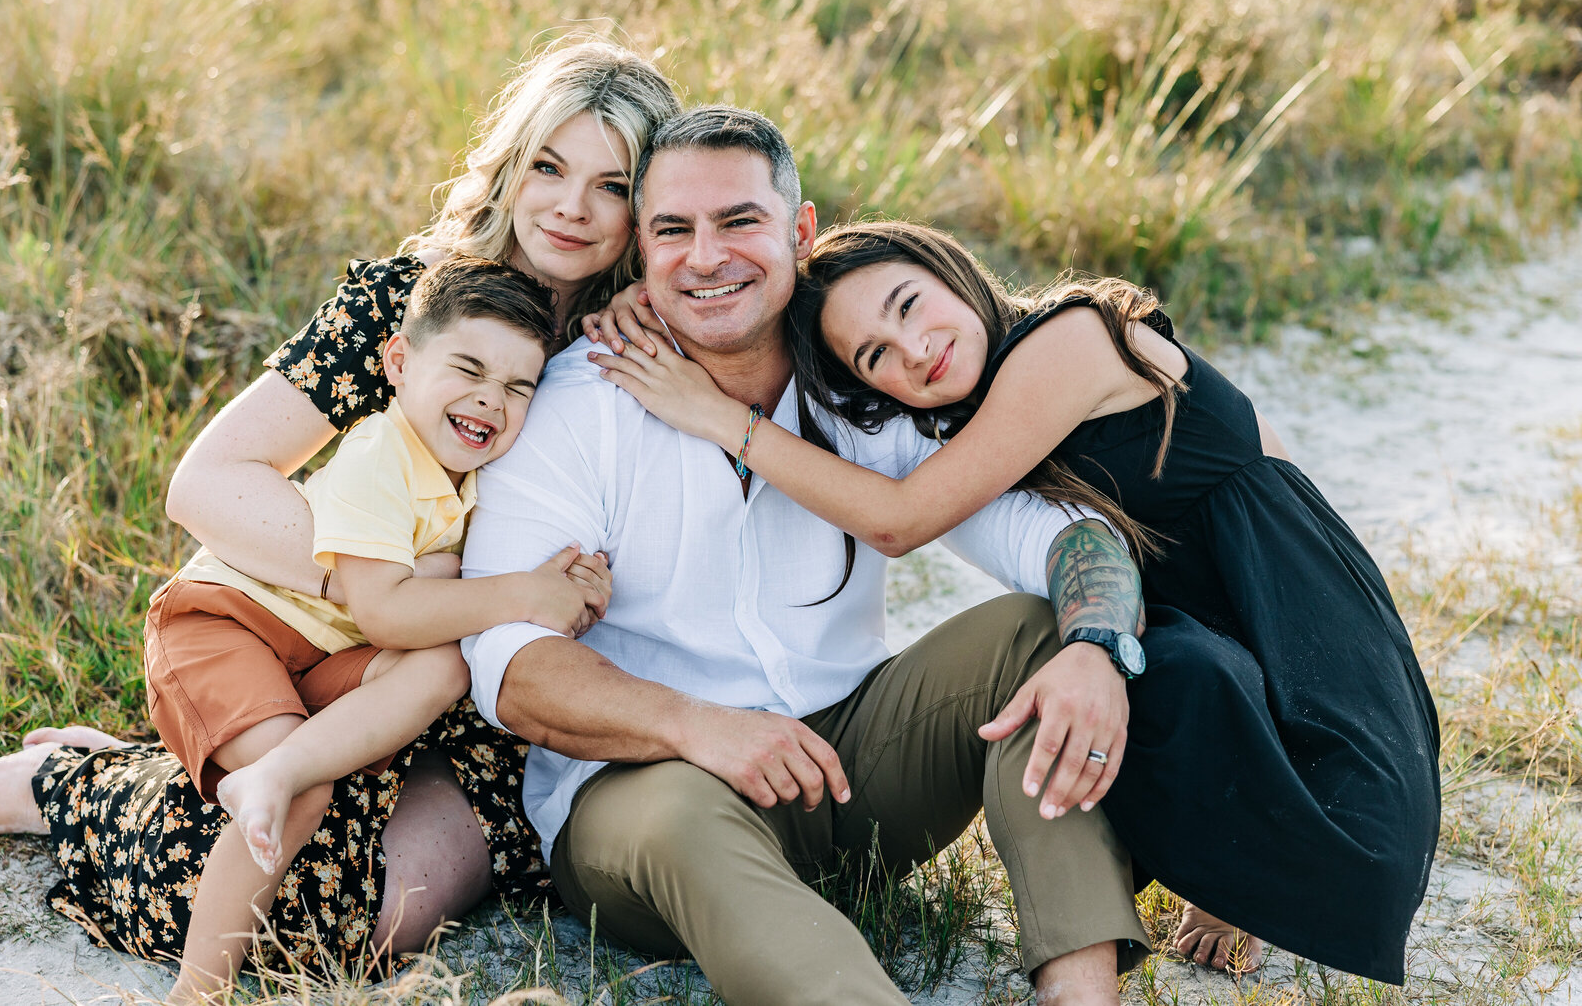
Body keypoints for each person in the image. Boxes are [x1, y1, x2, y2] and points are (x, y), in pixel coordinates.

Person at [0, 36, 679, 977]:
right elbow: (209, 483)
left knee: (370, 919)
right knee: (269, 894)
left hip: (494, 697)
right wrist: (386, 579)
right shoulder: (409, 306)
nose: (570, 205)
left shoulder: (642, 339)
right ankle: (60, 783)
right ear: (511, 166)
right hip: (366, 640)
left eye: (612, 184)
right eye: (549, 165)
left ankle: (163, 760)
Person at [590, 218, 1442, 984]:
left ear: (948, 268)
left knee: (1193, 693)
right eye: (877, 356)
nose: (913, 346)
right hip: (1190, 617)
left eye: (910, 304)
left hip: (1285, 607)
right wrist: (670, 299)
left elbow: (896, 520)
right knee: (1128, 665)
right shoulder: (963, 415)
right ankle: (1216, 874)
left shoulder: (1066, 341)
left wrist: (721, 418)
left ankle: (1235, 885)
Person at [461, 105, 1154, 1006]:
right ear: (642, 251)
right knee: (678, 810)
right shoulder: (575, 408)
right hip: (646, 794)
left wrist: (1098, 646)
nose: (706, 257)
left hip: (850, 770)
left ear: (800, 230)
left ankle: (1080, 994)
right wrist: (698, 727)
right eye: (673, 229)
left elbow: (1060, 533)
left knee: (1037, 635)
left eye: (740, 221)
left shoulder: (862, 385)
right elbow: (511, 668)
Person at [149, 257, 616, 1003]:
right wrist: (528, 593)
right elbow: (386, 612)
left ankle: (247, 761)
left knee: (444, 667)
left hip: (316, 653)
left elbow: (446, 598)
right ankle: (197, 992)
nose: (488, 400)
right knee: (299, 789)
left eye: (516, 387)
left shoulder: (468, 473)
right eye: (467, 368)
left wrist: (572, 585)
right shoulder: (380, 453)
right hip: (225, 624)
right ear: (398, 361)